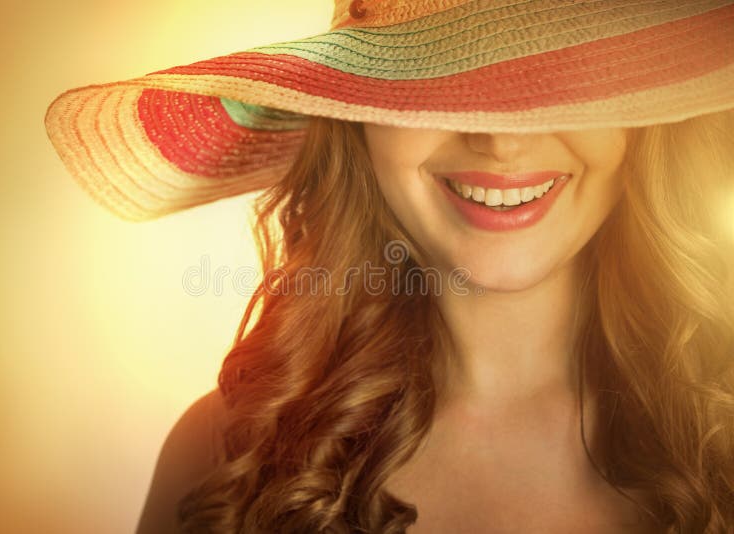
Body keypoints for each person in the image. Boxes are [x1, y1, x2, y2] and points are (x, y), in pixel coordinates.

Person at [44, 1, 734, 532]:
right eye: (436, 79)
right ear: (357, 122)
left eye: (562, 78)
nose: (498, 138)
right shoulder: (227, 455)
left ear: (649, 121)